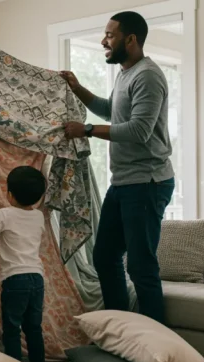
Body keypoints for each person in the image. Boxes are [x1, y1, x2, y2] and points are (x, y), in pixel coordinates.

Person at [60, 11, 175, 324]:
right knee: (105, 256)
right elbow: (112, 110)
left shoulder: (148, 75)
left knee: (140, 265)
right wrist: (77, 87)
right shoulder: (126, 73)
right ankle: (120, 329)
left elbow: (139, 130)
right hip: (125, 182)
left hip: (148, 182)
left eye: (110, 35)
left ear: (131, 39)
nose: (103, 41)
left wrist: (85, 130)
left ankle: (156, 342)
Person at [0, 166, 47, 362]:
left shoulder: (5, 214)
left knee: (12, 328)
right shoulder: (38, 216)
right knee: (34, 328)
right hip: (37, 278)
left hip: (15, 279)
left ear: (9, 194)